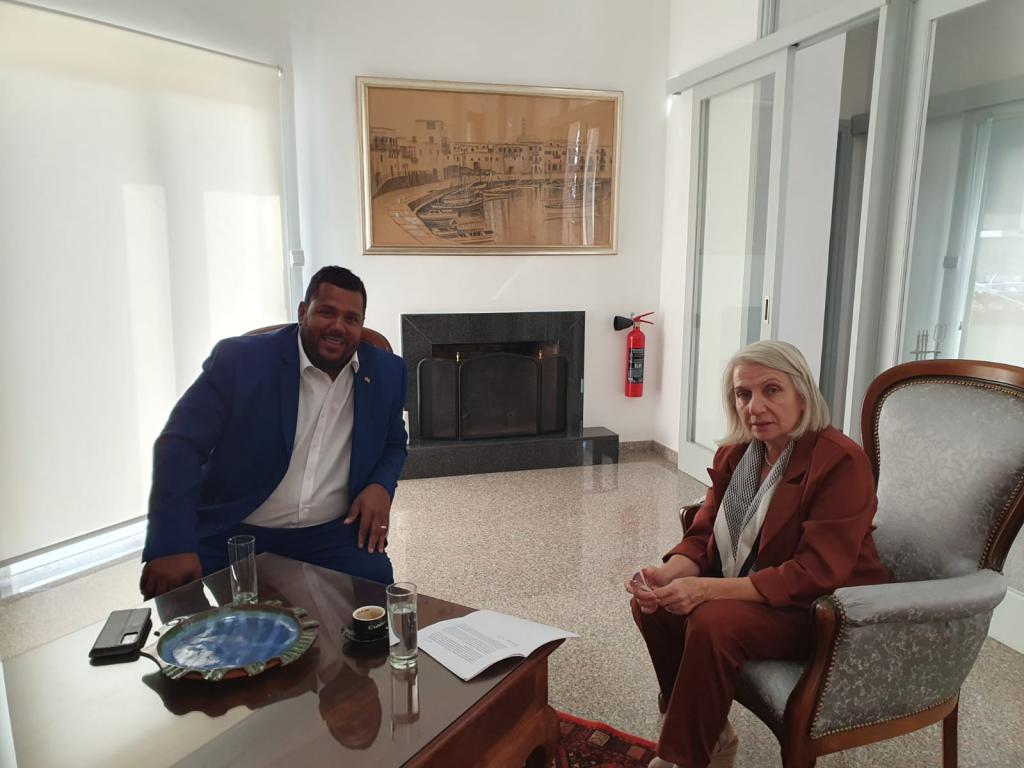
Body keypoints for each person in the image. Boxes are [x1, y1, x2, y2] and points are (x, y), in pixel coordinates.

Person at [626, 340, 888, 768]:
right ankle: (710, 737)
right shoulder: (738, 452)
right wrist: (667, 573)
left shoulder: (840, 461)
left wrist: (707, 590)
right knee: (653, 606)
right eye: (743, 394)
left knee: (713, 621)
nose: (755, 407)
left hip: (823, 610)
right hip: (763, 592)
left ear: (802, 393)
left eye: (772, 390)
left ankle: (685, 758)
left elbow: (815, 573)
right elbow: (705, 531)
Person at [140, 266, 407, 599]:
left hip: (331, 535)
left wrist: (381, 485)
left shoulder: (386, 372)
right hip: (236, 532)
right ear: (303, 312)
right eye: (327, 312)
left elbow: (395, 442)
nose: (338, 327)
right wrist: (171, 542)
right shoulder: (240, 361)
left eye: (351, 319)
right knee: (184, 609)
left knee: (377, 600)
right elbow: (180, 445)